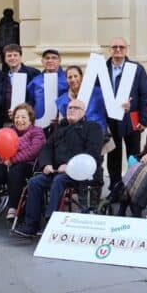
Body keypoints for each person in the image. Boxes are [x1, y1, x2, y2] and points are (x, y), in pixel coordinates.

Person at [13, 99, 102, 238]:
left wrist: (71, 166)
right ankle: (31, 224)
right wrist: (47, 164)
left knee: (59, 180)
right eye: (69, 108)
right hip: (55, 171)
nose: (71, 110)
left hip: (80, 172)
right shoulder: (60, 129)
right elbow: (46, 148)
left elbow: (92, 153)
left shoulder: (92, 127)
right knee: (35, 182)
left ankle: (51, 223)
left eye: (75, 108)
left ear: (84, 112)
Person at [0, 103, 46, 221]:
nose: (19, 120)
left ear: (31, 120)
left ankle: (13, 208)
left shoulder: (37, 132)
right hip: (5, 163)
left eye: (23, 117)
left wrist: (12, 160)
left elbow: (33, 151)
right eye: (17, 117)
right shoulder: (8, 131)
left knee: (16, 171)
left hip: (27, 165)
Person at [105, 37, 147, 191]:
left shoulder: (137, 68)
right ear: (109, 50)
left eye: (121, 47)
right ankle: (115, 187)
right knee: (113, 154)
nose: (118, 49)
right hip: (110, 119)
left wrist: (145, 120)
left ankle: (133, 187)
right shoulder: (103, 69)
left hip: (132, 118)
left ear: (126, 49)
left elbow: (146, 94)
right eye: (114, 47)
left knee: (133, 154)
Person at [26, 49, 68, 124]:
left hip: (62, 123)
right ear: (42, 61)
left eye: (54, 58)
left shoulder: (67, 78)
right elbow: (30, 102)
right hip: (40, 123)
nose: (50, 60)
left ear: (60, 61)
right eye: (47, 58)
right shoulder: (36, 80)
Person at [1, 44, 40, 111]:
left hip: (27, 116)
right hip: (6, 118)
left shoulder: (33, 73)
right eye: (9, 56)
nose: (12, 58)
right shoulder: (2, 76)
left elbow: (37, 96)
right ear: (5, 59)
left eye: (15, 55)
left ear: (20, 57)